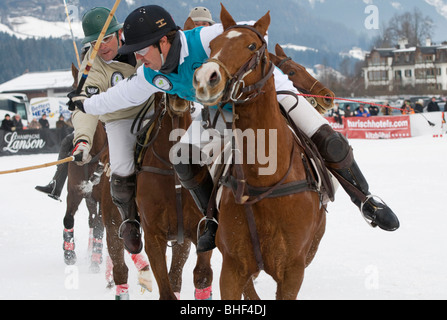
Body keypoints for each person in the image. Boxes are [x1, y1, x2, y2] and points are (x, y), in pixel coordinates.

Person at [68, 5, 399, 253]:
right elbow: (117, 97)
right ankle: (211, 217)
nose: (138, 58)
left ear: (164, 42)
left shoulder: (208, 37)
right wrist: (84, 104)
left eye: (141, 51)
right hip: (220, 115)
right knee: (182, 156)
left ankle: (366, 200)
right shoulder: (152, 75)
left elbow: (252, 36)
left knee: (329, 139)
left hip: (269, 96)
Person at [36, 7, 153, 255]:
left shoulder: (140, 44)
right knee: (120, 167)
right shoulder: (91, 64)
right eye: (94, 43)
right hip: (118, 120)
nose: (101, 47)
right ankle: (130, 221)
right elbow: (85, 107)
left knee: (187, 151)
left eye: (106, 39)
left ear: (119, 33)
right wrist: (83, 141)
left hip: (153, 113)